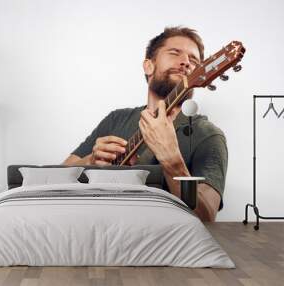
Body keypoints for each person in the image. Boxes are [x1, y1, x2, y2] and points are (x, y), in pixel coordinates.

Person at [62, 27, 228, 222]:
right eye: (175, 53)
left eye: (194, 61)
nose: (185, 62)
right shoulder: (116, 118)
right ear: (148, 66)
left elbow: (206, 218)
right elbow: (61, 174)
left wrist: (172, 159)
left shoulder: (208, 135)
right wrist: (90, 161)